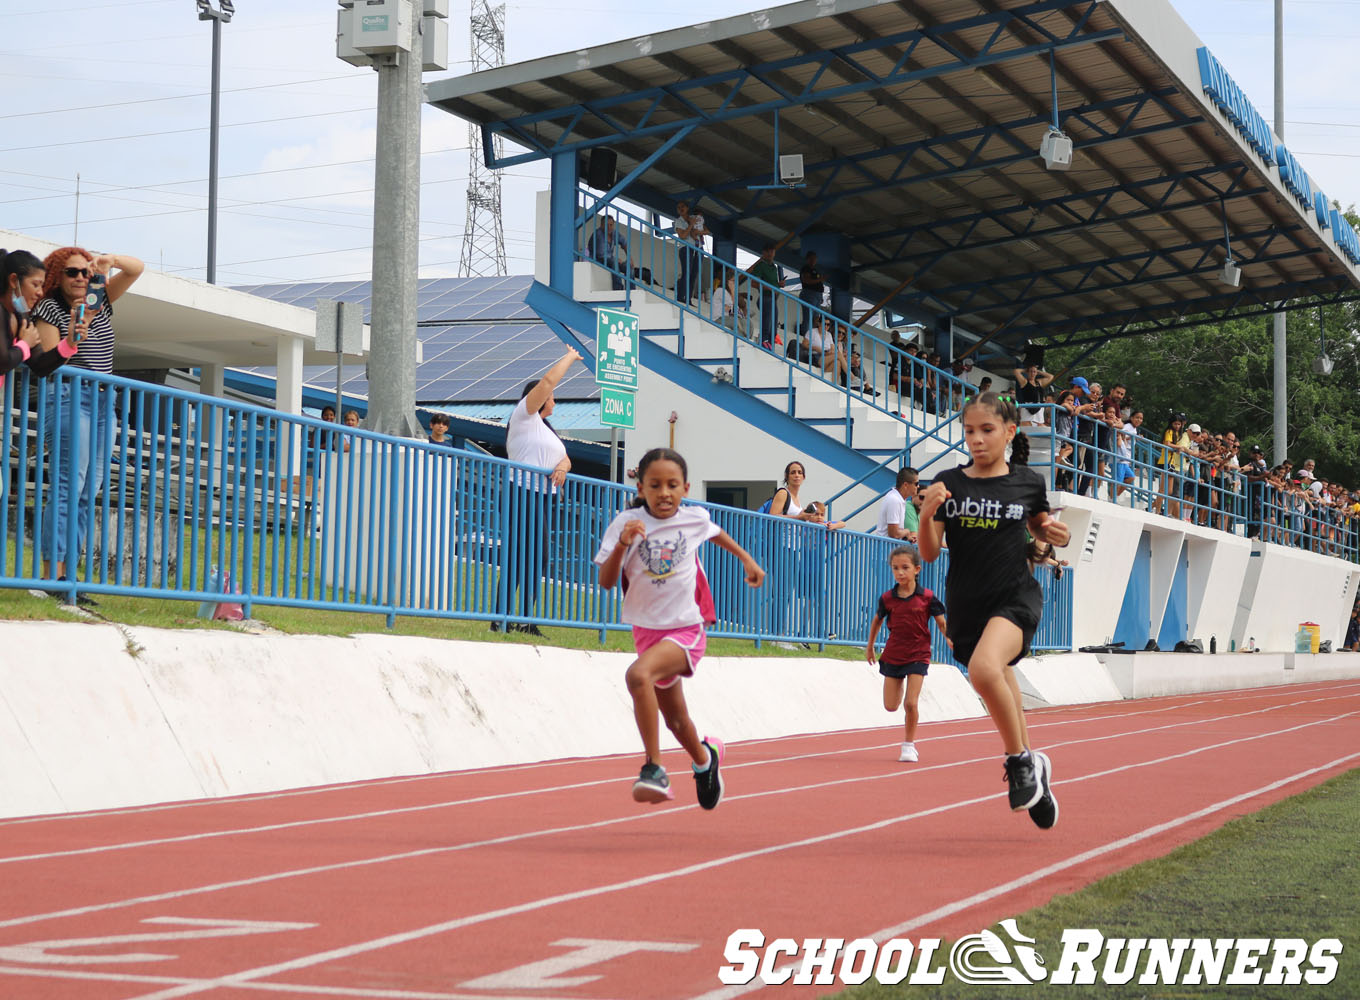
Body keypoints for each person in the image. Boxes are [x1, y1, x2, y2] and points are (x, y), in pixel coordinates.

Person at [917, 391, 1070, 829]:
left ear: (1009, 431)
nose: (977, 439)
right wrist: (926, 514)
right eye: (969, 431)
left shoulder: (1027, 482)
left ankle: (1019, 761)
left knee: (984, 671)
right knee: (997, 675)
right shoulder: (949, 482)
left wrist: (1053, 535)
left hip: (1015, 597)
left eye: (987, 430)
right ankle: (1034, 766)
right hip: (968, 604)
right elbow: (929, 553)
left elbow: (1040, 528)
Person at [595, 446, 764, 805]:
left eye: (672, 485)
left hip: (686, 628)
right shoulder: (624, 523)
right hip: (646, 633)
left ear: (685, 488)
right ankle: (705, 760)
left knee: (638, 676)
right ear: (641, 488)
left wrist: (747, 560)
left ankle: (654, 768)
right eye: (655, 485)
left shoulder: (694, 518)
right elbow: (606, 582)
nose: (664, 493)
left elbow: (715, 533)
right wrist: (623, 544)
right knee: (676, 720)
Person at [32, 246, 144, 589]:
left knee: (87, 492)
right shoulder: (49, 308)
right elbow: (52, 360)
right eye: (72, 272)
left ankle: (69, 575)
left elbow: (136, 268)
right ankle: (52, 575)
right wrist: (76, 331)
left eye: (85, 272)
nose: (81, 278)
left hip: (103, 402)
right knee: (68, 487)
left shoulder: (101, 300)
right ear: (56, 277)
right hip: (69, 396)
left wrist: (109, 262)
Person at [497, 345, 580, 636]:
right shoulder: (524, 416)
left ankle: (520, 620)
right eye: (552, 397)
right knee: (523, 554)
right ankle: (505, 617)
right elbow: (546, 382)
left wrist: (563, 467)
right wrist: (569, 357)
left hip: (542, 495)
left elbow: (565, 458)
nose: (554, 400)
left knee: (535, 556)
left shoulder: (546, 428)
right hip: (521, 490)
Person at [866, 545, 948, 763]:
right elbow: (877, 621)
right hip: (894, 654)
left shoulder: (927, 597)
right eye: (895, 568)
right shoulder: (887, 598)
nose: (900, 572)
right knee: (891, 706)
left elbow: (941, 623)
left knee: (910, 703)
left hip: (918, 653)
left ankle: (909, 746)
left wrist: (951, 639)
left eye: (905, 567)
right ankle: (899, 680)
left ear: (917, 569)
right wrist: (870, 646)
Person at [0, 250, 56, 390]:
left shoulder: (21, 313)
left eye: (42, 286)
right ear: (14, 280)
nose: (40, 292)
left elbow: (41, 366)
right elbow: (2, 362)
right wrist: (25, 344)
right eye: (35, 284)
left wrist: (70, 343)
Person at [747, 243, 784, 349]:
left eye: (772, 251)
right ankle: (764, 341)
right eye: (768, 251)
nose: (770, 253)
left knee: (774, 326)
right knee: (767, 323)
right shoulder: (760, 266)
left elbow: (773, 284)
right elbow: (754, 283)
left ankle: (770, 345)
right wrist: (767, 287)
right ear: (763, 252)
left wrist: (779, 284)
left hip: (773, 299)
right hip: (765, 298)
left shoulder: (774, 267)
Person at [673, 201, 709, 304]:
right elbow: (683, 236)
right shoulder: (678, 221)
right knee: (686, 273)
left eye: (683, 206)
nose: (681, 209)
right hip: (686, 248)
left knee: (694, 275)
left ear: (687, 208)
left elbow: (707, 230)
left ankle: (688, 299)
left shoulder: (695, 217)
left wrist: (698, 232)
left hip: (698, 248)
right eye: (679, 207)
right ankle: (681, 297)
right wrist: (691, 225)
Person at [874, 467, 920, 541]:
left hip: (888, 545)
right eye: (916, 483)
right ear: (905, 485)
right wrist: (907, 532)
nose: (918, 486)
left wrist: (907, 536)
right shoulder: (894, 500)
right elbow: (894, 534)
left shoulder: (898, 499)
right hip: (885, 546)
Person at [589, 216, 629, 291]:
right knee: (614, 262)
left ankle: (631, 290)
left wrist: (630, 258)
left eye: (611, 225)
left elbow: (624, 242)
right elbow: (602, 254)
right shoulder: (598, 234)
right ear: (601, 225)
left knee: (629, 267)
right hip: (597, 260)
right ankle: (618, 289)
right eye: (606, 225)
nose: (609, 227)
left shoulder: (613, 233)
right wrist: (615, 259)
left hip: (609, 260)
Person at [798, 251, 825, 335]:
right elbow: (806, 280)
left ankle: (814, 337)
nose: (813, 260)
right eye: (811, 258)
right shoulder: (806, 268)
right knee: (808, 317)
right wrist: (820, 279)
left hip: (817, 295)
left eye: (815, 259)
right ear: (807, 259)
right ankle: (806, 336)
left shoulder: (815, 270)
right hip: (809, 294)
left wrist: (820, 296)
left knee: (816, 318)